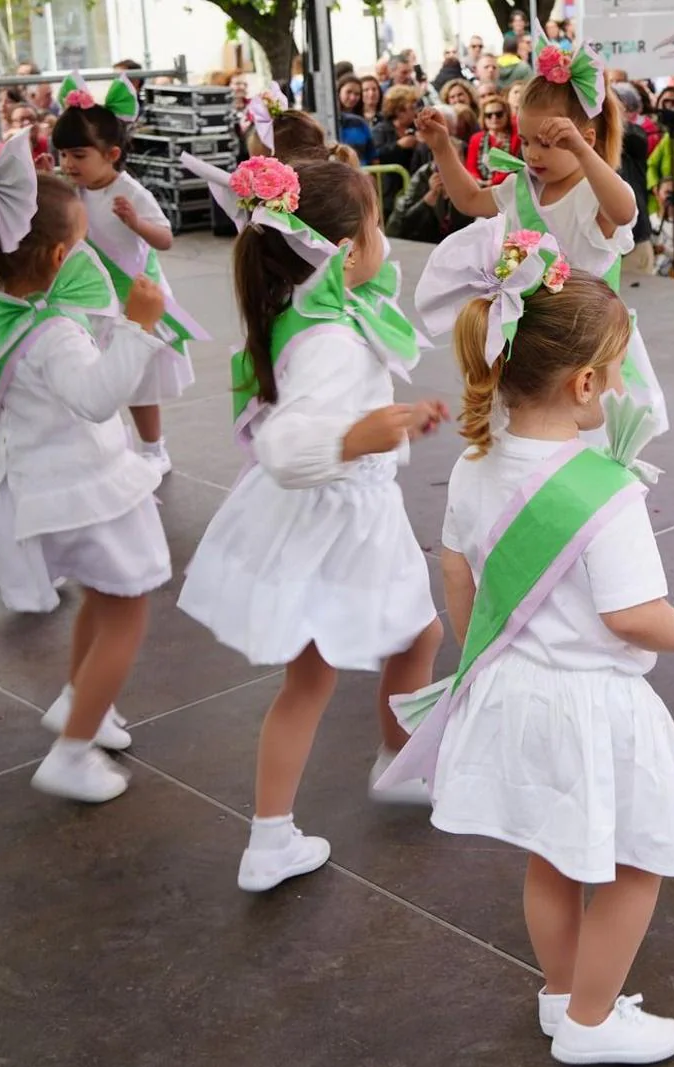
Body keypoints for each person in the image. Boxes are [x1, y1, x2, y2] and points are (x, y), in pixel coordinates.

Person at [387, 220, 674, 1067]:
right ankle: (593, 1019)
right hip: (590, 705)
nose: (616, 390)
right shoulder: (605, 491)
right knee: (634, 863)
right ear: (582, 384)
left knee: (551, 857)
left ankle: (561, 994)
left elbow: (458, 577)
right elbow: (635, 618)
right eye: (613, 375)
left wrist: (483, 659)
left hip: (514, 692)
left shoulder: (474, 464)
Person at [177, 158, 448, 887]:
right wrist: (356, 438)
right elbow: (285, 445)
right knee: (342, 661)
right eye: (377, 225)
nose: (383, 239)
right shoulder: (330, 335)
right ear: (349, 250)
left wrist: (383, 425)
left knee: (398, 638)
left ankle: (381, 768)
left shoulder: (305, 303)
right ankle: (293, 824)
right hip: (342, 516)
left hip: (339, 510)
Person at [0, 118, 172, 798]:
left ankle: (79, 703)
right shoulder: (53, 333)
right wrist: (138, 328)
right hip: (85, 490)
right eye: (77, 243)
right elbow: (98, 399)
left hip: (45, 484)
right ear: (56, 259)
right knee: (127, 610)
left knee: (103, 600)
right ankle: (70, 754)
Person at [424, 40, 665, 438]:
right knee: (529, 436)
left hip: (590, 342)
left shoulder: (595, 191)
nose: (533, 153)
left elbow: (625, 210)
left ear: (584, 137)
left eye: (549, 143)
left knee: (592, 439)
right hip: (533, 339)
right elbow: (468, 199)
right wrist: (441, 148)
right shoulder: (521, 187)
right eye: (528, 140)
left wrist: (585, 155)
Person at [52, 73, 204, 475]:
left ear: (112, 153)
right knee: (93, 375)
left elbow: (166, 239)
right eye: (63, 155)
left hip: (131, 298)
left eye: (79, 155)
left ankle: (153, 448)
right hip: (89, 299)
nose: (69, 164)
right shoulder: (73, 189)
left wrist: (137, 223)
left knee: (139, 381)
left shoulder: (132, 192)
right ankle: (104, 448)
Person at [336, 75, 375, 162]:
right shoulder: (333, 120)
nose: (353, 97)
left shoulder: (361, 123)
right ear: (339, 91)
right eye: (348, 92)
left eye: (357, 94)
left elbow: (372, 154)